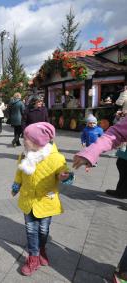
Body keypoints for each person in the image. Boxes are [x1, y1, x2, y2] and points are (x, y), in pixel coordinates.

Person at [11, 122, 72, 276]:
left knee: (43, 231)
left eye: (27, 138)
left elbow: (63, 172)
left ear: (39, 141)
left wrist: (65, 176)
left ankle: (41, 249)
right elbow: (20, 172)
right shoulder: (24, 155)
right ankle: (33, 257)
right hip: (28, 200)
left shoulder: (56, 158)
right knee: (31, 231)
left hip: (46, 202)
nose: (24, 140)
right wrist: (16, 185)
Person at [74, 114, 127, 199]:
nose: (91, 125)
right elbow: (114, 134)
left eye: (93, 123)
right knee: (122, 164)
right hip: (92, 146)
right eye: (90, 123)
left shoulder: (99, 129)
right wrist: (91, 151)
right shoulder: (85, 130)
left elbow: (103, 134)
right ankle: (121, 191)